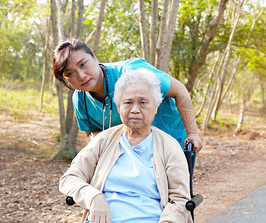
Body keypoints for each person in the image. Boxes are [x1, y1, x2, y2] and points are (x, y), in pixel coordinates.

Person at [59, 69, 193, 223]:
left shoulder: (169, 146)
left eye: (143, 102)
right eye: (128, 102)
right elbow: (69, 178)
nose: (135, 109)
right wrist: (94, 197)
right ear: (119, 108)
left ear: (155, 107)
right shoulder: (104, 140)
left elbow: (180, 199)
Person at [53, 38, 202, 152]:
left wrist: (193, 134)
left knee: (174, 191)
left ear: (95, 58)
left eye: (83, 64)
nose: (81, 76)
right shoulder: (80, 100)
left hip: (172, 144)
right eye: (70, 73)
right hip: (132, 156)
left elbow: (180, 90)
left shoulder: (131, 71)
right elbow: (93, 133)